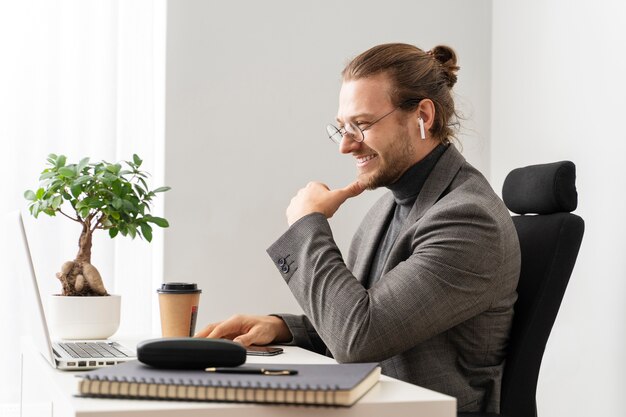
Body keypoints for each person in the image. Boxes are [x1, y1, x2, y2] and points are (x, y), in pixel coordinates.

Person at [195, 43, 520, 413]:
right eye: (342, 129)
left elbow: (359, 338)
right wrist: (282, 327)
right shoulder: (389, 206)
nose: (346, 146)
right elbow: (368, 318)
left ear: (423, 116)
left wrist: (306, 224)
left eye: (361, 126)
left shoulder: (467, 221)